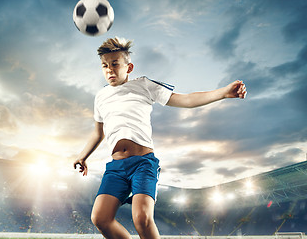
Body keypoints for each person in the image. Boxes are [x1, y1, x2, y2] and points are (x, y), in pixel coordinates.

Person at [73, 37, 247, 239]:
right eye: (104, 66)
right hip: (116, 167)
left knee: (142, 219)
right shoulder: (100, 97)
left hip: (142, 164)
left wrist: (222, 93)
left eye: (115, 64)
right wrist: (82, 156)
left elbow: (187, 99)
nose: (109, 70)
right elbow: (98, 132)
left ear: (129, 67)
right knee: (100, 218)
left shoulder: (144, 85)